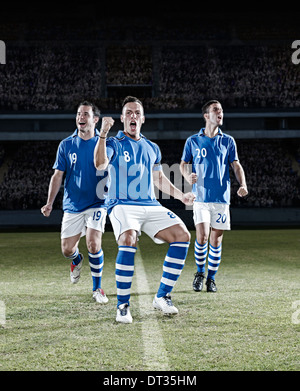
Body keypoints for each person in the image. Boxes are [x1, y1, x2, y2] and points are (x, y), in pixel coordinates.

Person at [94, 96, 195, 323]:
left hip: (150, 205)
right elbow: (100, 164)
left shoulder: (152, 148)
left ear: (143, 118)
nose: (133, 116)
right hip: (121, 205)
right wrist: (102, 134)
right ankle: (122, 306)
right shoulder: (114, 143)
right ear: (121, 118)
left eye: (137, 113)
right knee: (129, 238)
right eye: (128, 112)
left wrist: (182, 196)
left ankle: (162, 296)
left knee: (182, 235)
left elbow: (159, 179)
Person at [41, 101, 114, 304]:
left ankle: (97, 288)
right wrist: (49, 203)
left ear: (95, 120)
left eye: (85, 114)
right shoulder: (66, 144)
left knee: (93, 242)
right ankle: (76, 260)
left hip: (97, 202)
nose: (80, 117)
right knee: (66, 249)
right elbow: (57, 176)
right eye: (78, 114)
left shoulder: (105, 143)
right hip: (73, 204)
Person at [180, 100, 248, 293]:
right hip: (200, 197)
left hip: (221, 199)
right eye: (216, 110)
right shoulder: (193, 140)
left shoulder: (228, 141)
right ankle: (200, 274)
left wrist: (242, 184)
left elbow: (235, 165)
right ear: (206, 116)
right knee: (202, 237)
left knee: (216, 241)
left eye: (221, 110)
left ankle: (211, 279)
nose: (220, 113)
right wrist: (187, 175)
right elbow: (183, 163)